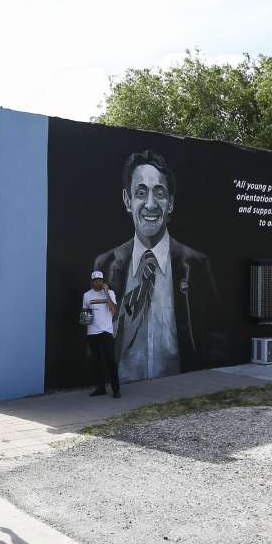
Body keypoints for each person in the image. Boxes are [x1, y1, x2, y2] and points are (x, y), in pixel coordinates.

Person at [93, 149, 225, 381]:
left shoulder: (195, 265)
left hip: (178, 392)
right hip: (123, 395)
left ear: (171, 203)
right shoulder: (106, 264)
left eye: (159, 193)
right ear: (127, 200)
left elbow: (215, 337)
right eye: (141, 192)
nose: (150, 204)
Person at [83, 269, 120, 398]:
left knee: (110, 360)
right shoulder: (87, 295)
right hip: (93, 333)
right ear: (92, 282)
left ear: (103, 281)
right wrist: (85, 322)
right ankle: (100, 388)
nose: (98, 283)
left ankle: (116, 389)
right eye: (95, 281)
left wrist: (106, 293)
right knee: (96, 361)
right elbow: (85, 314)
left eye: (100, 280)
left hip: (106, 332)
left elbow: (114, 310)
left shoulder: (110, 293)